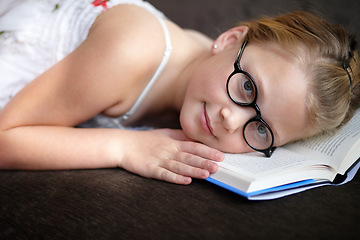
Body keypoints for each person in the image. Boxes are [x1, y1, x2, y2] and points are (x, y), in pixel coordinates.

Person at [0, 0, 359, 185]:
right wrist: (123, 147)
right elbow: (5, 138)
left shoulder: (208, 69)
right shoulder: (130, 50)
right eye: (248, 87)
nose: (231, 119)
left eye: (262, 129)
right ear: (230, 40)